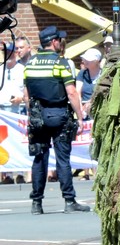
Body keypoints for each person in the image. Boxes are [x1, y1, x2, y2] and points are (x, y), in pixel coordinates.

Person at [24, 26, 89, 214]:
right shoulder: (61, 63)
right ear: (53, 42)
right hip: (59, 115)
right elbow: (71, 92)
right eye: (59, 40)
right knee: (62, 159)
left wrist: (33, 114)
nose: (61, 43)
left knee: (39, 159)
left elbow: (27, 94)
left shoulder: (31, 64)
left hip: (38, 117)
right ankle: (69, 201)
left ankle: (36, 203)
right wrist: (79, 116)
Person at [76, 47, 103, 117]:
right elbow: (77, 92)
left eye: (89, 59)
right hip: (84, 112)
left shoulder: (104, 74)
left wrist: (90, 102)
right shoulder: (82, 73)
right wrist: (80, 109)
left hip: (100, 110)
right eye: (85, 59)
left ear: (96, 61)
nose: (85, 61)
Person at [0, 42, 26, 113]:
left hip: (18, 110)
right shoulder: (0, 69)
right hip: (1, 110)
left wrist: (21, 99)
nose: (7, 55)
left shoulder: (23, 70)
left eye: (10, 52)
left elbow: (28, 92)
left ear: (16, 53)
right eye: (5, 53)